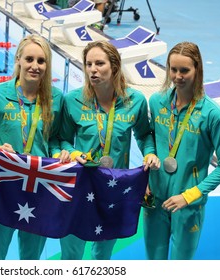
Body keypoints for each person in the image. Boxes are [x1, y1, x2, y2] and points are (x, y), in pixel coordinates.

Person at [59, 40, 160, 260]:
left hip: (114, 188)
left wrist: (149, 153)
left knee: (102, 255)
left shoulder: (135, 101)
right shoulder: (72, 100)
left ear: (114, 66)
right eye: (88, 64)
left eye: (99, 63)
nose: (92, 69)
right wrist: (74, 153)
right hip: (80, 186)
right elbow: (62, 141)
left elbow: (144, 135)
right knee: (71, 253)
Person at [0, 34, 69, 260]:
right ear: (18, 60)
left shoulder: (56, 98)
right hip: (3, 186)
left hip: (40, 186)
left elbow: (55, 139)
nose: (35, 66)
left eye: (41, 61)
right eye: (29, 59)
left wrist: (58, 153)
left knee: (31, 260)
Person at [143, 42, 220, 259]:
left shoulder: (213, 114)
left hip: (187, 204)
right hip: (154, 198)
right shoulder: (157, 102)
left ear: (198, 70)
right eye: (173, 69)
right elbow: (149, 138)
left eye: (184, 70)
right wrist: (149, 154)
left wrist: (190, 196)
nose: (177, 76)